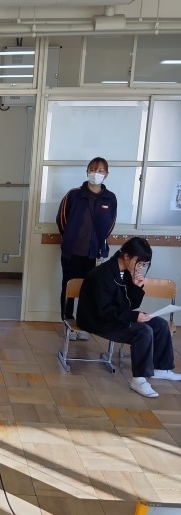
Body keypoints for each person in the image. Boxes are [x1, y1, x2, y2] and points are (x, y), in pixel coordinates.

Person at [77, 237, 181, 398]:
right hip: (97, 320)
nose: (140, 267)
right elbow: (103, 311)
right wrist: (134, 316)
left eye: (143, 264)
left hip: (115, 316)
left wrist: (136, 287)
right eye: (138, 262)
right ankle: (139, 379)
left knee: (160, 324)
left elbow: (130, 305)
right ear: (126, 256)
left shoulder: (125, 273)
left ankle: (161, 368)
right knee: (143, 331)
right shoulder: (102, 274)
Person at [57, 157, 117, 338]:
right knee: (69, 288)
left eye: (100, 170)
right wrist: (70, 238)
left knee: (89, 290)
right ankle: (68, 324)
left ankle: (84, 325)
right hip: (72, 252)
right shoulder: (74, 195)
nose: (96, 173)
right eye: (93, 169)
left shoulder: (110, 198)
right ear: (87, 171)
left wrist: (98, 243)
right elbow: (61, 219)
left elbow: (110, 224)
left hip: (94, 255)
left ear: (106, 174)